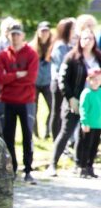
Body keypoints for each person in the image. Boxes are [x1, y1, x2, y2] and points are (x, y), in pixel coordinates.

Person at [50, 25, 100, 174]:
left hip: (93, 103)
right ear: (79, 40)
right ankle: (53, 164)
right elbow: (62, 80)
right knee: (66, 132)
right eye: (84, 38)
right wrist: (70, 97)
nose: (88, 41)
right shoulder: (72, 57)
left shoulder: (98, 57)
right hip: (75, 101)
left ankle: (82, 165)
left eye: (90, 38)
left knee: (88, 135)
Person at [0, 23, 39, 184]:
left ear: (23, 36)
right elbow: (0, 78)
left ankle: (28, 170)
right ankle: (11, 169)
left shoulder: (31, 54)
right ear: (8, 36)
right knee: (8, 137)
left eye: (17, 34)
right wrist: (18, 74)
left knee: (27, 136)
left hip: (26, 101)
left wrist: (10, 76)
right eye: (12, 34)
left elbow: (31, 77)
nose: (15, 37)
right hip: (6, 100)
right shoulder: (3, 55)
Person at [47, 19, 76, 149]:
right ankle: (56, 141)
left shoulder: (69, 45)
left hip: (66, 82)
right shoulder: (60, 46)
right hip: (58, 82)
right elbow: (61, 66)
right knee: (56, 111)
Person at [76, 68, 101, 178]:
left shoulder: (100, 92)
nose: (96, 81)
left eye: (99, 79)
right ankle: (82, 167)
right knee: (86, 146)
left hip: (98, 124)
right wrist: (84, 122)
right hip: (88, 125)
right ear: (88, 80)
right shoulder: (86, 93)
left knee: (94, 147)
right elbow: (83, 109)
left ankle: (90, 166)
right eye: (94, 79)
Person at [33, 22, 54, 138]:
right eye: (42, 31)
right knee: (33, 109)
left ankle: (48, 130)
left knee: (52, 107)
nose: (44, 33)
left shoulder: (54, 46)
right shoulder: (32, 46)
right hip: (34, 83)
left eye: (46, 31)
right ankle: (35, 132)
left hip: (48, 82)